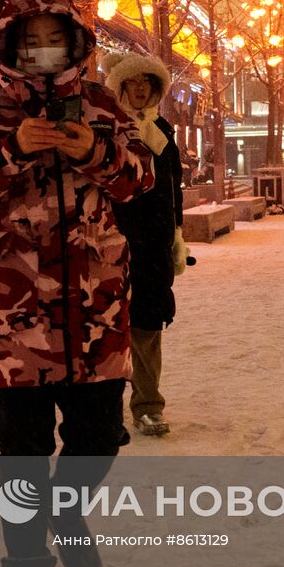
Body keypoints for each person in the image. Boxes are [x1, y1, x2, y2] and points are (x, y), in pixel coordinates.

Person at [0, 0, 153, 567]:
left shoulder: (100, 103)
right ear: (7, 44)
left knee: (98, 436)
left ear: (73, 40)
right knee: (22, 454)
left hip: (94, 311)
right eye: (26, 41)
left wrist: (94, 150)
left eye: (51, 38)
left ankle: (69, 510)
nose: (40, 50)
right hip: (15, 317)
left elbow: (140, 178)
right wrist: (13, 150)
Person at [103, 50, 188, 439]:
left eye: (146, 85)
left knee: (148, 325)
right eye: (132, 84)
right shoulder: (106, 129)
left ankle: (148, 405)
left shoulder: (164, 132)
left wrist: (176, 235)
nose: (139, 91)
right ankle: (104, 413)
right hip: (110, 241)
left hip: (153, 243)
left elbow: (174, 189)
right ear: (120, 87)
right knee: (107, 328)